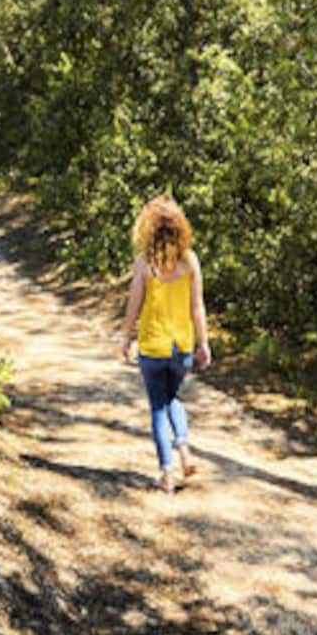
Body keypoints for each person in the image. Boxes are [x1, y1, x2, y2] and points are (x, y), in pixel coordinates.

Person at [118, 195, 211, 492]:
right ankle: (183, 449)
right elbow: (198, 307)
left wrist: (126, 337)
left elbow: (134, 304)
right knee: (173, 399)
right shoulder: (189, 260)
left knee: (159, 407)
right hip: (181, 345)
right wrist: (203, 343)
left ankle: (166, 472)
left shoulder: (145, 262)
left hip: (153, 346)